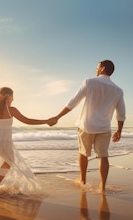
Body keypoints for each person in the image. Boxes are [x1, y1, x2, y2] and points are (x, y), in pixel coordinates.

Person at [0, 87, 56, 197]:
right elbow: (27, 121)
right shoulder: (11, 110)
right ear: (8, 96)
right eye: (12, 96)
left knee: (6, 161)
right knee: (9, 160)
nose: (13, 99)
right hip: (3, 140)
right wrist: (46, 121)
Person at [50, 59, 126, 192]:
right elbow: (121, 113)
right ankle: (102, 186)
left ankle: (83, 180)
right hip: (104, 128)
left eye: (97, 67)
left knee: (83, 153)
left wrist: (57, 117)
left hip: (86, 125)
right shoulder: (118, 90)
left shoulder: (89, 82)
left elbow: (72, 102)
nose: (95, 70)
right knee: (103, 156)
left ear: (102, 68)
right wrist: (119, 131)